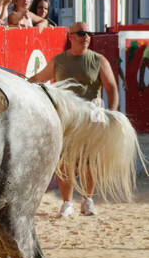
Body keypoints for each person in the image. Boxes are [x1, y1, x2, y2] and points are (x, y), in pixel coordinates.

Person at [28, 21, 118, 216]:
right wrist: (22, 82)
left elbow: (111, 88)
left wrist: (110, 114)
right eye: (81, 33)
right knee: (64, 162)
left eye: (88, 33)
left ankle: (87, 200)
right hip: (66, 120)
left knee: (89, 161)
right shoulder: (59, 60)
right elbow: (39, 78)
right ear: (70, 36)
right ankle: (67, 203)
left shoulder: (98, 60)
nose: (86, 37)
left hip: (90, 119)